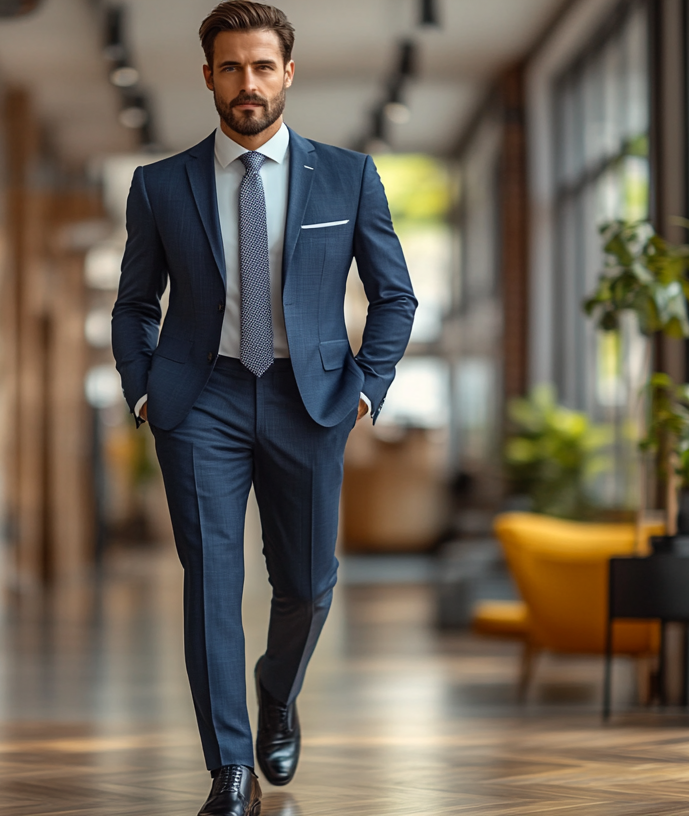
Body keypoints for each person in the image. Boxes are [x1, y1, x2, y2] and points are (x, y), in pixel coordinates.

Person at [110, 2, 416, 813]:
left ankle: (277, 692)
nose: (249, 83)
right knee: (211, 580)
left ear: (287, 73)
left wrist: (365, 387)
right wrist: (143, 388)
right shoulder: (160, 184)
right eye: (232, 67)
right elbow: (134, 304)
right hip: (197, 396)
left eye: (262, 66)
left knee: (309, 585)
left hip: (308, 399)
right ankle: (231, 770)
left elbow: (395, 296)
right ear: (208, 75)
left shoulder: (347, 176)